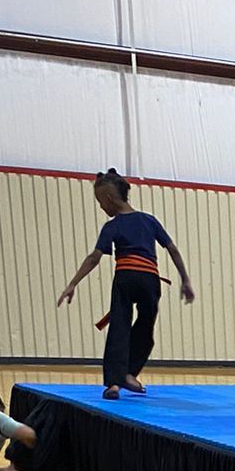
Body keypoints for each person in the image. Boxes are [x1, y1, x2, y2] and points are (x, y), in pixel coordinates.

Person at [57, 170, 195, 400]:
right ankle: (130, 373)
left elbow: (94, 257)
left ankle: (114, 383)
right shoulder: (148, 220)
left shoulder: (112, 226)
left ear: (109, 199)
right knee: (145, 327)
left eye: (100, 202)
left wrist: (73, 283)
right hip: (150, 280)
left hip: (126, 277)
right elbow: (172, 249)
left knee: (119, 328)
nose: (101, 208)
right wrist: (185, 279)